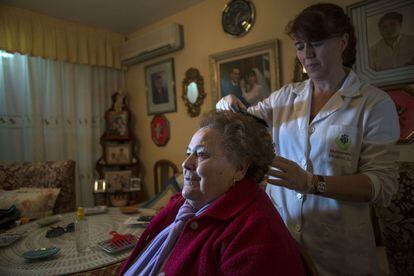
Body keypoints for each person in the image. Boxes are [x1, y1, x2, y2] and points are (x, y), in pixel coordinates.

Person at [216, 3, 400, 275]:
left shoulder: (373, 103)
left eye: (317, 43)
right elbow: (244, 121)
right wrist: (227, 105)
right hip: (281, 239)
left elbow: (382, 186)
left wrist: (312, 183)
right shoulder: (286, 97)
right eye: (301, 46)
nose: (308, 55)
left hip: (339, 251)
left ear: (343, 42)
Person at [119, 111, 306, 275]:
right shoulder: (184, 204)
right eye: (188, 153)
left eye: (201, 154)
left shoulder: (257, 234)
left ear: (240, 169)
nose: (186, 164)